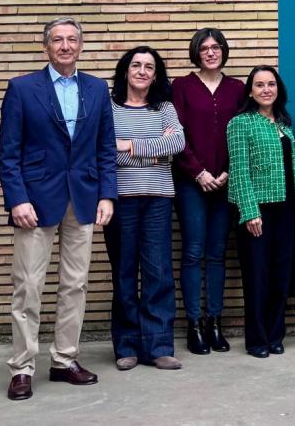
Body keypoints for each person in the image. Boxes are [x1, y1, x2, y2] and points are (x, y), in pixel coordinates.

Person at [0, 17, 117, 401]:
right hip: (34, 201)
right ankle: (22, 367)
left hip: (82, 198)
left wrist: (106, 195)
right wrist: (17, 198)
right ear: (46, 46)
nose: (65, 46)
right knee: (28, 286)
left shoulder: (97, 89)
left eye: (72, 40)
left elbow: (105, 148)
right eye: (57, 40)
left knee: (75, 285)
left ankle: (64, 360)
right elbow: (8, 152)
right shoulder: (21, 88)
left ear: (81, 45)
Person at [105, 46, 185, 371]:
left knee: (158, 271)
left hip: (158, 198)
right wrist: (154, 154)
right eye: (136, 65)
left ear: (156, 75)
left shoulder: (164, 108)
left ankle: (158, 346)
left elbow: (177, 144)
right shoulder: (108, 108)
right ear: (125, 70)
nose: (141, 71)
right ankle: (127, 346)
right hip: (120, 198)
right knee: (124, 271)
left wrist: (129, 145)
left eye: (149, 67)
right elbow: (105, 151)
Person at [171, 27, 246, 355]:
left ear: (223, 51)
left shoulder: (237, 89)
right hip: (192, 182)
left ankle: (215, 322)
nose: (211, 52)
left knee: (217, 253)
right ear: (197, 52)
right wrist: (198, 171)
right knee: (193, 251)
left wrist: (230, 171)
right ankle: (194, 324)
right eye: (205, 48)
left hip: (226, 182)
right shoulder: (182, 86)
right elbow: (175, 134)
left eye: (216, 47)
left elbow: (243, 130)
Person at [227, 65, 295, 359]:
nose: (266, 89)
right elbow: (239, 169)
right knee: (257, 276)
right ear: (250, 91)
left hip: (287, 207)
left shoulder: (284, 122)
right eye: (259, 85)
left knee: (280, 275)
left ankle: (275, 335)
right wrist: (249, 211)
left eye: (271, 84)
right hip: (258, 210)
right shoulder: (240, 123)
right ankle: (257, 339)